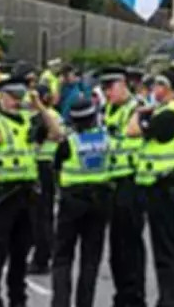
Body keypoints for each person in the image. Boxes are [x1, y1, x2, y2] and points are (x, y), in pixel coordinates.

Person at [0, 76, 59, 307]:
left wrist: (40, 107)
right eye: (12, 97)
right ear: (2, 97)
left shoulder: (30, 122)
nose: (16, 102)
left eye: (20, 97)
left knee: (20, 254)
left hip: (26, 196)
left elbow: (56, 134)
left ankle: (18, 300)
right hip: (0, 197)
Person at [127, 69, 174, 307]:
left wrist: (137, 113)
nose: (154, 90)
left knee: (168, 250)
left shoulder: (169, 115)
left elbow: (132, 131)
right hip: (162, 187)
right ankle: (168, 298)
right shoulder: (167, 112)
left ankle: (169, 300)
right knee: (166, 248)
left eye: (158, 85)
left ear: (168, 88)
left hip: (167, 187)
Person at [50, 98, 112, 307]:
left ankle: (60, 302)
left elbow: (56, 167)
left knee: (62, 257)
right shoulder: (105, 139)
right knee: (90, 260)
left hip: (72, 201)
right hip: (99, 200)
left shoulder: (69, 142)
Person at [101, 66, 146, 307]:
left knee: (130, 243)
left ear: (123, 85)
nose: (107, 93)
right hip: (113, 182)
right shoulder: (110, 109)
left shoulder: (138, 108)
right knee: (117, 246)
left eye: (110, 87)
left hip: (132, 181)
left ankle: (134, 296)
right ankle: (122, 295)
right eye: (104, 89)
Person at [28, 85, 63, 275]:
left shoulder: (49, 116)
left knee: (42, 216)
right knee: (34, 216)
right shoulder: (33, 116)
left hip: (44, 167)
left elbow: (56, 134)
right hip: (35, 168)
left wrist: (39, 107)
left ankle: (42, 259)